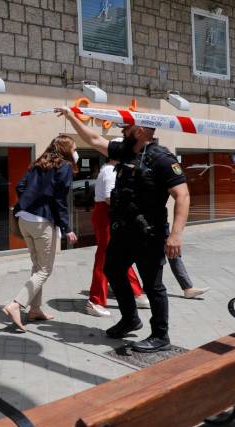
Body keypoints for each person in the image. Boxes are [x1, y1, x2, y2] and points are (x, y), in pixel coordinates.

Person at [57, 107, 190, 353]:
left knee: (153, 285)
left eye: (127, 128)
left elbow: (182, 195)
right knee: (113, 269)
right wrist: (70, 116)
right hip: (124, 231)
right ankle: (130, 319)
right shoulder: (126, 151)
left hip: (149, 233)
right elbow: (94, 139)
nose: (123, 131)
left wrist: (176, 235)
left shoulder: (163, 159)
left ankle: (161, 335)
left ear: (139, 131)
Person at [1, 135, 79, 332]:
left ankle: (35, 309)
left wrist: (30, 200)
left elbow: (20, 187)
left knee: (37, 267)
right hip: (41, 222)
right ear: (66, 150)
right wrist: (67, 228)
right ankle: (16, 305)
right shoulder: (65, 167)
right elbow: (59, 199)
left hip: (24, 219)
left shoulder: (38, 164)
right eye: (74, 147)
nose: (76, 151)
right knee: (45, 270)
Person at [86, 150, 151, 318]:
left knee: (119, 253)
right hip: (107, 214)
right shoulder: (109, 171)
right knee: (105, 255)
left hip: (110, 214)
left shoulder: (112, 170)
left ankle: (136, 291)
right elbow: (110, 198)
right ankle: (95, 300)